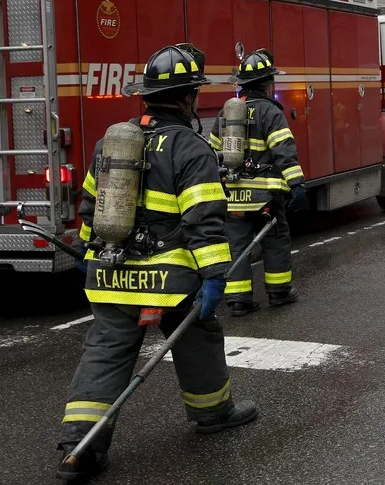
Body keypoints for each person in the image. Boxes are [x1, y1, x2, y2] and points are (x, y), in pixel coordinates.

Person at [57, 45, 256, 482]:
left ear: (146, 96)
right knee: (198, 338)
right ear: (187, 97)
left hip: (111, 274)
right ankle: (213, 413)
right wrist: (214, 276)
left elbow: (90, 206)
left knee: (105, 351)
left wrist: (88, 256)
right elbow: (204, 219)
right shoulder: (191, 147)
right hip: (169, 280)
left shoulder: (111, 141)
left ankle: (79, 445)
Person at [209, 49, 306, 316]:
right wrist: (296, 185)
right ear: (267, 83)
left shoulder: (226, 113)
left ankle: (238, 300)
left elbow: (212, 151)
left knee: (236, 245)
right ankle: (279, 292)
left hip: (233, 196)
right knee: (275, 240)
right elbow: (284, 151)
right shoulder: (270, 112)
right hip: (266, 197)